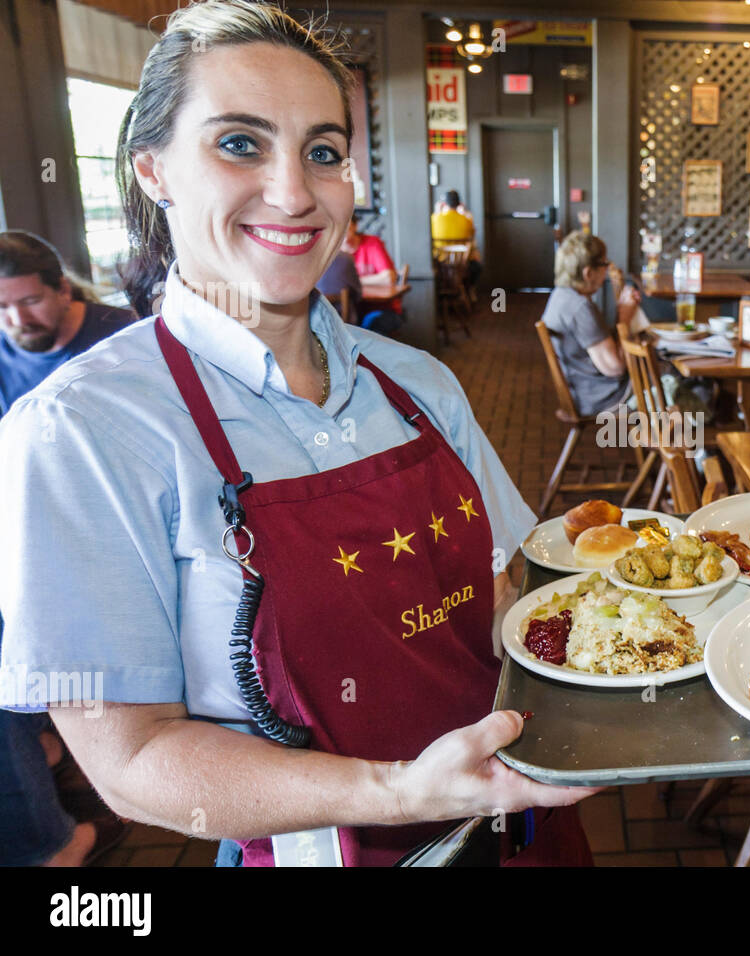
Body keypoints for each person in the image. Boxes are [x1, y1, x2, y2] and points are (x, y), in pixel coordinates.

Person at [0, 0, 597, 868]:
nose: (294, 191)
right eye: (239, 143)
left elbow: (500, 599)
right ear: (153, 168)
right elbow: (129, 763)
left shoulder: (420, 382)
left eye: (323, 152)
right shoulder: (80, 433)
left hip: (529, 822)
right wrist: (397, 791)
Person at [0, 231, 135, 866]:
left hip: (107, 543)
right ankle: (43, 740)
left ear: (62, 289)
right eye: (0, 308)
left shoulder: (121, 340)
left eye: (27, 303)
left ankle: (49, 837)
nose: (14, 321)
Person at [0, 231, 136, 415]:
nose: (19, 320)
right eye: (2, 307)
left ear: (63, 291)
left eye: (31, 301)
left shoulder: (128, 335)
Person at [540, 231, 641, 418]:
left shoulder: (560, 296)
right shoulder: (579, 308)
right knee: (673, 378)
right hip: (604, 398)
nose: (607, 270)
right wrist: (625, 317)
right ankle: (693, 443)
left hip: (582, 391)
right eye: (604, 264)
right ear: (588, 273)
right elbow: (614, 368)